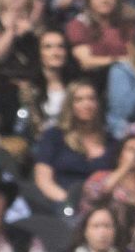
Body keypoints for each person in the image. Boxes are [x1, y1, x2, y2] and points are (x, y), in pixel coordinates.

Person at [32, 78, 118, 206]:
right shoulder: (54, 136)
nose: (87, 105)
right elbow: (43, 180)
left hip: (100, 206)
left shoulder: (111, 141)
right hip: (61, 202)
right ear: (70, 105)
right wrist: (68, 203)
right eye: (79, 100)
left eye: (91, 99)